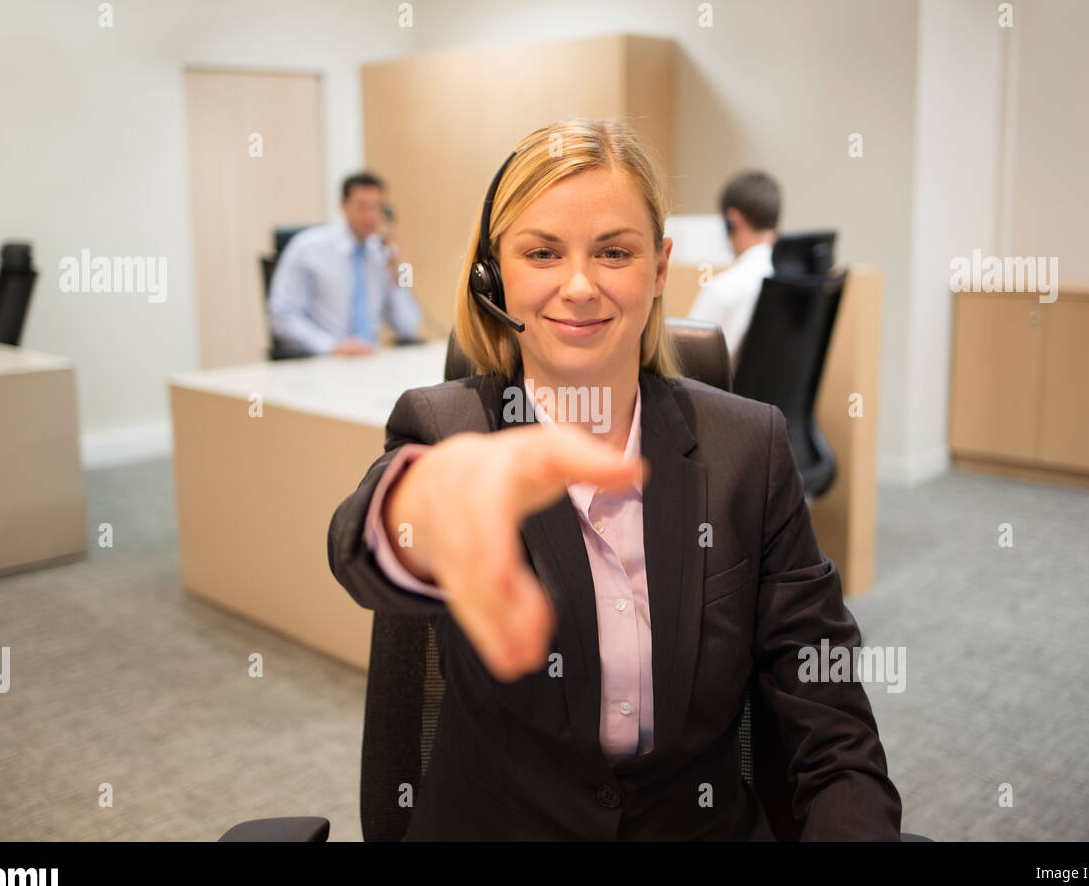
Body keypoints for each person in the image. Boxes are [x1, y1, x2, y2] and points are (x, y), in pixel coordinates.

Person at [326, 118, 901, 840]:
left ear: (659, 269)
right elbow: (360, 545)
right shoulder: (445, 432)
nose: (578, 285)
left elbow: (827, 709)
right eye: (541, 252)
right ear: (494, 273)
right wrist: (413, 514)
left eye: (613, 252)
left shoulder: (747, 448)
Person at [268, 171, 422, 357]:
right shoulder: (307, 248)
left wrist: (397, 274)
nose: (370, 216)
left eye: (376, 207)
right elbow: (282, 316)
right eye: (361, 207)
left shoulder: (381, 254)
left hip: (369, 362)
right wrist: (332, 346)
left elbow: (408, 327)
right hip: (321, 360)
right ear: (343, 204)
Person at [686, 170, 780, 366]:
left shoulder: (724, 290)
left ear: (732, 220)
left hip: (725, 396)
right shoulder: (793, 279)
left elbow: (686, 363)